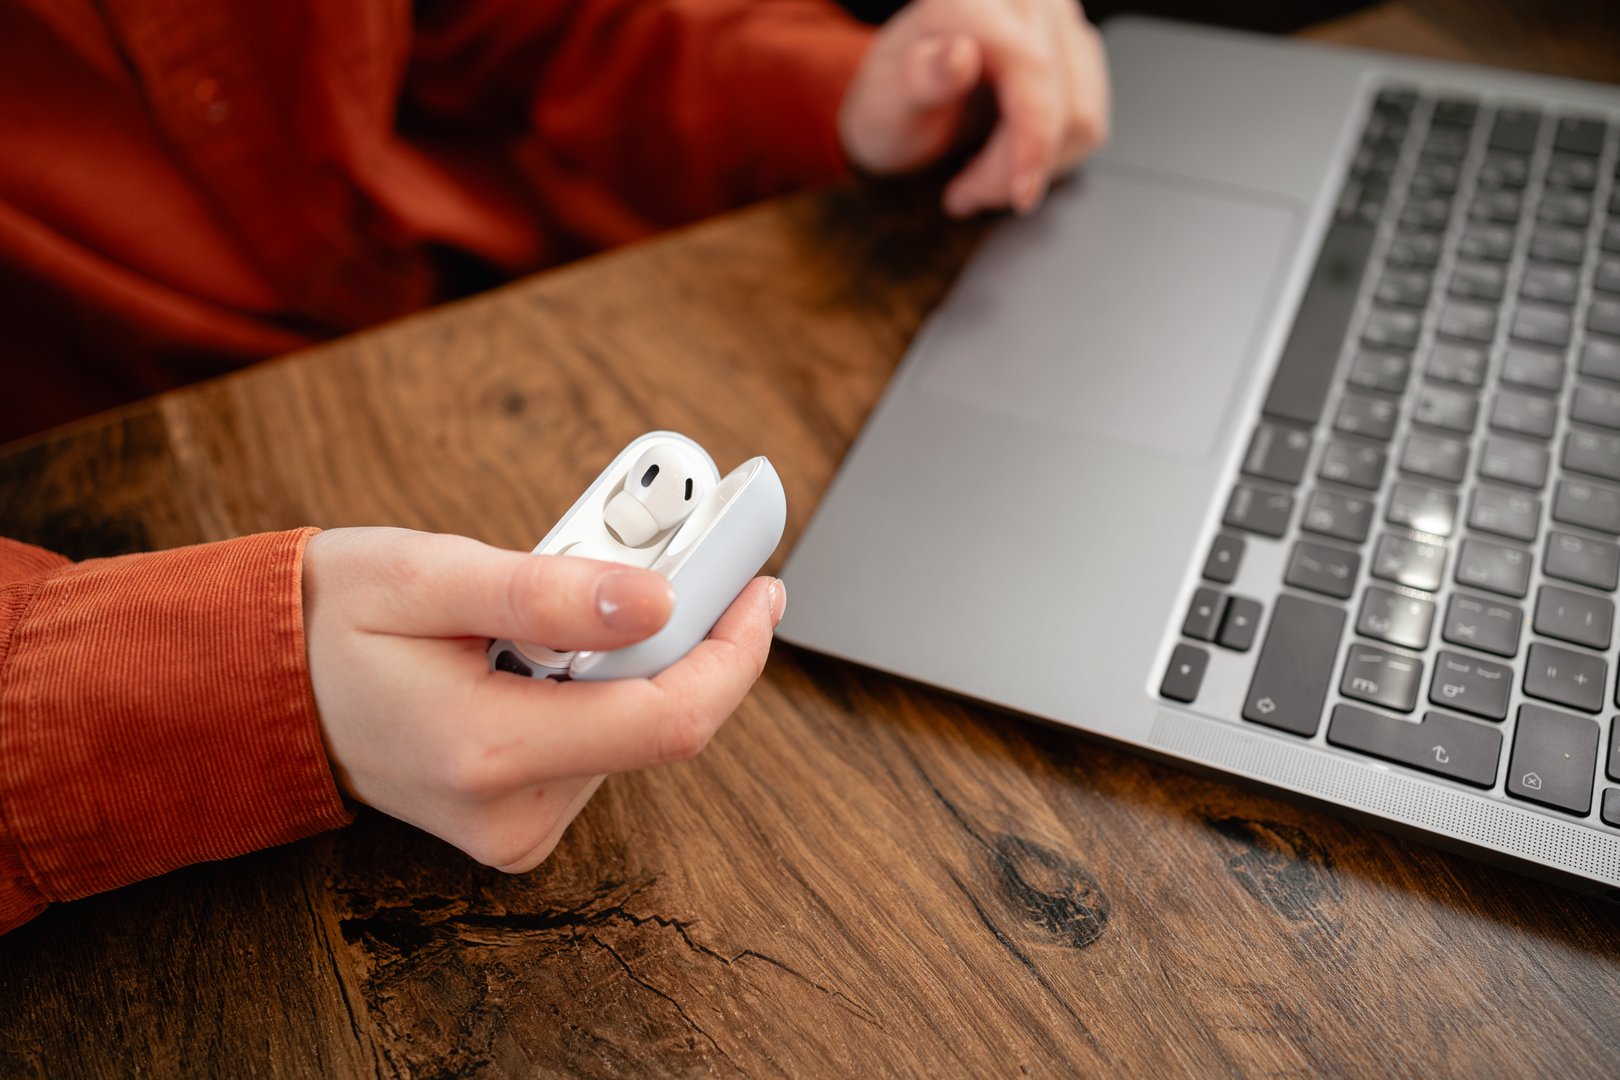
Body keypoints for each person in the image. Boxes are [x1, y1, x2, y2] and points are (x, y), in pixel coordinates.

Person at [0, 0, 1109, 936]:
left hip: (509, 333)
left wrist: (845, 87)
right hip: (120, 517)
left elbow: (526, 22)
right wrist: (241, 680)